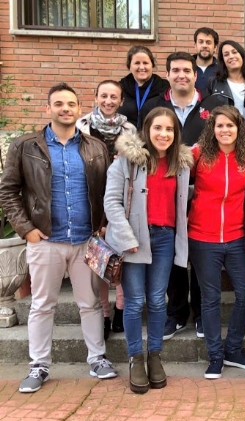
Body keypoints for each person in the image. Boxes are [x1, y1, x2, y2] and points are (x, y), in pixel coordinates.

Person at [0, 83, 115, 393]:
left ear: (80, 110)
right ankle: (38, 365)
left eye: (71, 104)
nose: (66, 108)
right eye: (59, 104)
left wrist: (102, 225)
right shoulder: (26, 146)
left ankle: (97, 358)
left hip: (84, 241)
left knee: (90, 304)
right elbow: (8, 190)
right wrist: (26, 230)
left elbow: (106, 191)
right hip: (45, 240)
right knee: (42, 305)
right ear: (47, 109)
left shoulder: (95, 147)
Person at [104, 106, 192, 394]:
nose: (163, 134)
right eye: (158, 128)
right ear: (147, 130)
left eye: (169, 129)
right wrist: (126, 236)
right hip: (133, 239)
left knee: (156, 300)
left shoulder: (180, 164)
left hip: (165, 238)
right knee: (133, 302)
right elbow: (112, 203)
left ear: (175, 133)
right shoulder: (127, 161)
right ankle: (135, 358)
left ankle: (155, 355)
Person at [139, 52, 222, 339]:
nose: (181, 75)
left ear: (195, 74)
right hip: (165, 191)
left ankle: (200, 313)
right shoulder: (154, 106)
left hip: (203, 192)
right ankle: (176, 314)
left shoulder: (212, 106)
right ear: (168, 74)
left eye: (187, 70)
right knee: (172, 255)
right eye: (175, 70)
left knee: (198, 254)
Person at [189, 106, 245, 380]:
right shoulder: (199, 154)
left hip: (237, 238)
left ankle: (233, 349)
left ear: (239, 129)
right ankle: (215, 356)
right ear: (213, 128)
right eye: (220, 126)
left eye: (230, 126)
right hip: (202, 238)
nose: (225, 130)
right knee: (211, 299)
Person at [76, 79, 137, 339]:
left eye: (114, 97)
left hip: (120, 202)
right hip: (90, 200)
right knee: (98, 264)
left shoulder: (129, 129)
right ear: (96, 97)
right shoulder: (82, 126)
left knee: (120, 262)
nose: (108, 101)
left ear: (121, 101)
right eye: (104, 96)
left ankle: (121, 310)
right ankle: (103, 314)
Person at [118, 46, 170, 127]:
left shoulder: (165, 88)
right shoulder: (120, 88)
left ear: (152, 65)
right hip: (126, 137)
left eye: (145, 63)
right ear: (129, 66)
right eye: (137, 63)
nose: (141, 67)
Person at [206, 40, 245, 112]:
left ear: (242, 55)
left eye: (234, 52)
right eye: (226, 55)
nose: (231, 56)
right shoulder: (214, 82)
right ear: (223, 60)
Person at [193, 27, 219, 92]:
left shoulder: (222, 69)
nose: (204, 45)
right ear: (195, 46)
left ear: (215, 47)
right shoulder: (186, 68)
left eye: (208, 42)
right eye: (201, 42)